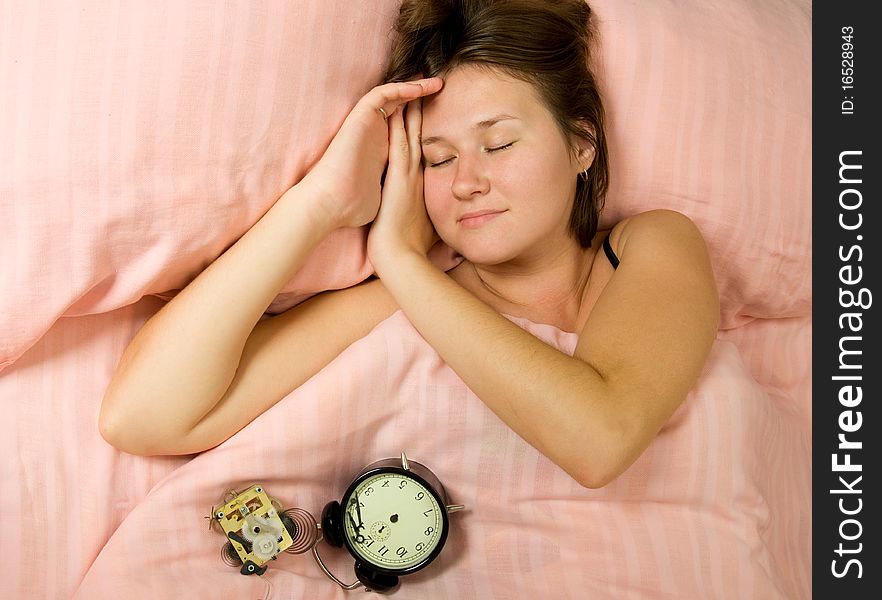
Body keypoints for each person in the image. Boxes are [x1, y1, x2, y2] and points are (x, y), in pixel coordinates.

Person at [100, 0, 719, 489]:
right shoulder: (406, 299)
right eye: (437, 159)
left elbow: (599, 440)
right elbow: (141, 417)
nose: (468, 182)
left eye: (498, 144)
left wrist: (399, 259)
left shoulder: (651, 246)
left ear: (581, 145)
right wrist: (320, 204)